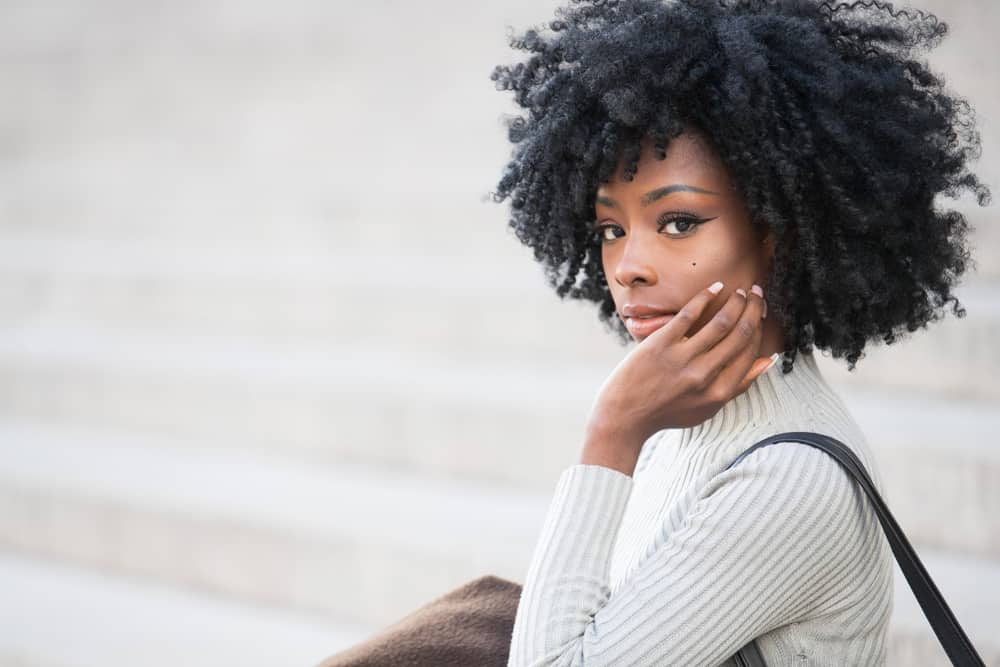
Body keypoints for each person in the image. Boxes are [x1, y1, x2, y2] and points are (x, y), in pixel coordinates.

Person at [487, 0, 990, 665]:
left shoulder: (785, 476)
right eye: (611, 229)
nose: (629, 267)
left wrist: (610, 432)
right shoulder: (686, 415)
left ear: (777, 230)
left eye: (677, 222)